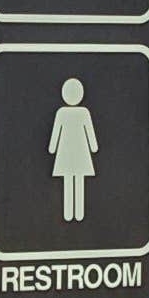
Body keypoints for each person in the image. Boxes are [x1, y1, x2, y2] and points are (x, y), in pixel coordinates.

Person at [49, 77, 100, 223]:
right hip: (78, 152)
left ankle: (74, 213)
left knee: (73, 180)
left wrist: (53, 148)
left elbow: (88, 131)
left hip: (69, 153)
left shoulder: (68, 113)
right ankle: (74, 214)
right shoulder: (75, 113)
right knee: (75, 180)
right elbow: (57, 132)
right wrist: (93, 147)